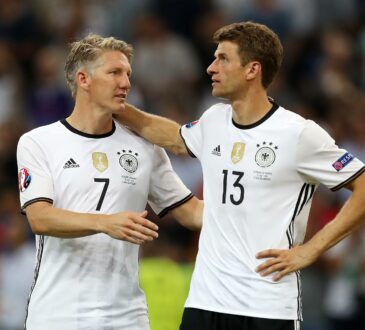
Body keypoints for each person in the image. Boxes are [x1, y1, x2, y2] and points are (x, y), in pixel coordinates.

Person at [116, 21, 365, 330]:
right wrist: (119, 109)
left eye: (223, 58)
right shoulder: (213, 120)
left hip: (267, 305)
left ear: (252, 70)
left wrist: (310, 250)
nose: (211, 67)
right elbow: (174, 137)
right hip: (205, 300)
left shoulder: (299, 134)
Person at [16, 34, 203, 330]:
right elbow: (40, 218)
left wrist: (254, 212)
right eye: (114, 72)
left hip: (127, 316)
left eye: (128, 73)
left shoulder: (144, 147)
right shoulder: (39, 142)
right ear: (83, 79)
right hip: (58, 314)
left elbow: (192, 213)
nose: (126, 82)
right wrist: (105, 222)